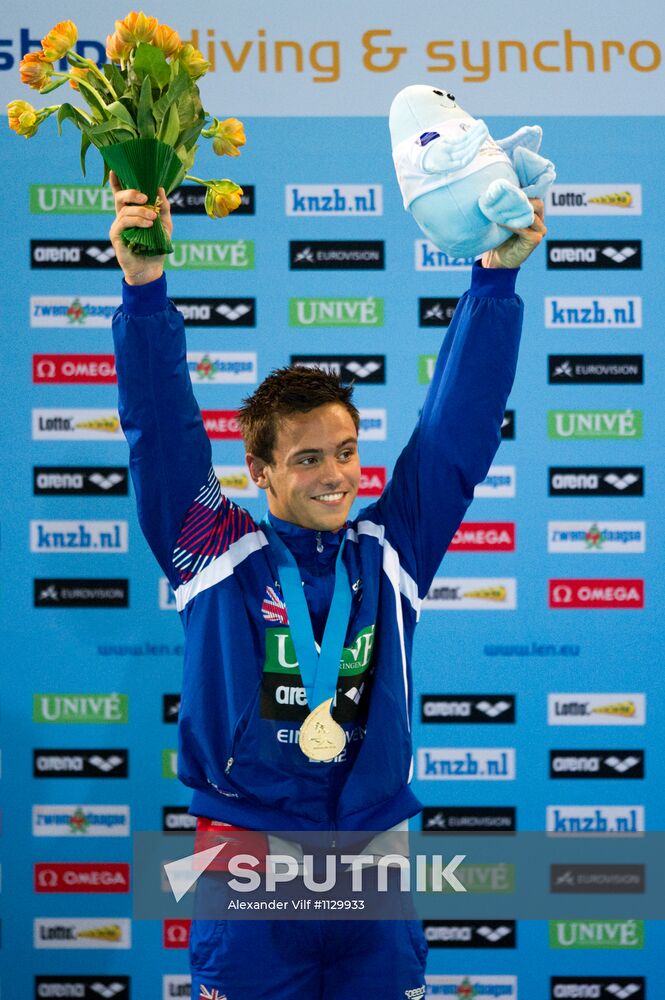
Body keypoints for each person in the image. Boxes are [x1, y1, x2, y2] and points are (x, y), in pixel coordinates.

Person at [110, 172, 545, 999]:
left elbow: (456, 426)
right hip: (244, 853)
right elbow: (158, 424)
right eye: (308, 458)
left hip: (371, 853)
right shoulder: (213, 545)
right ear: (260, 469)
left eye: (344, 452)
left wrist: (495, 278)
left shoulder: (391, 548)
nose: (335, 476)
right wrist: (143, 292)